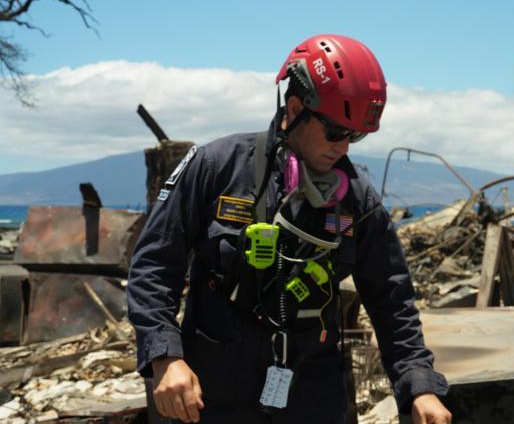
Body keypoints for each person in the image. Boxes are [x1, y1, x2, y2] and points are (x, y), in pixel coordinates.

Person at [127, 34, 452, 424]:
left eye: (355, 135)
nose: (344, 148)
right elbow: (154, 266)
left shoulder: (358, 203)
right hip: (212, 398)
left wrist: (420, 388)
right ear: (295, 108)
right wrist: (166, 358)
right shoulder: (217, 168)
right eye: (334, 132)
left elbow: (392, 301)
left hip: (313, 398)